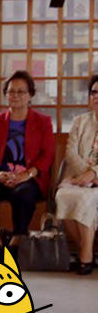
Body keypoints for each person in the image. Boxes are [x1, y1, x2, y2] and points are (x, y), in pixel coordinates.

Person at [0, 70, 55, 262]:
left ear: (30, 95)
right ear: (6, 94)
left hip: (29, 178)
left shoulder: (43, 122)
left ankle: (16, 242)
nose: (15, 96)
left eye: (21, 92)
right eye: (11, 92)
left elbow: (48, 154)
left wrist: (26, 175)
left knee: (24, 194)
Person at [55, 74, 98, 275]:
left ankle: (86, 256)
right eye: (94, 92)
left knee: (84, 200)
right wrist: (83, 175)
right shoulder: (80, 121)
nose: (97, 96)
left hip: (94, 181)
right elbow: (70, 152)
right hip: (78, 179)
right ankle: (86, 249)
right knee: (63, 196)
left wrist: (93, 174)